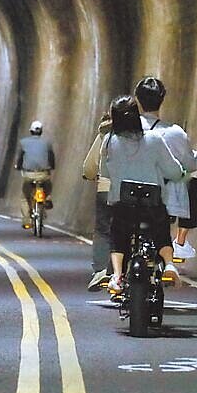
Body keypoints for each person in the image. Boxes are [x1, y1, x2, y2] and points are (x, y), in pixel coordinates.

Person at [103, 95, 184, 293]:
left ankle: (117, 276)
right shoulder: (155, 139)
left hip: (123, 204)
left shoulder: (109, 141)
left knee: (118, 236)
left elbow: (104, 172)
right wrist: (179, 173)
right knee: (161, 233)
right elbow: (173, 170)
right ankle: (170, 265)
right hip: (152, 204)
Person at [134, 77, 197, 259]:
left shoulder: (125, 131)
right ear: (162, 99)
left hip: (128, 194)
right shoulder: (174, 132)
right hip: (164, 197)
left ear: (137, 99)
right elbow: (189, 163)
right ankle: (180, 242)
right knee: (194, 185)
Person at [82, 111, 112, 291]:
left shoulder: (104, 135)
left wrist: (89, 175)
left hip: (107, 189)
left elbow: (89, 167)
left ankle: (101, 271)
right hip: (138, 190)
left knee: (103, 230)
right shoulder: (141, 134)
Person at [14, 120, 55, 229]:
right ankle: (47, 198)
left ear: (31, 131)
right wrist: (52, 166)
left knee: (24, 197)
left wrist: (18, 166)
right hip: (43, 174)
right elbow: (51, 157)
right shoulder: (47, 143)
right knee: (48, 186)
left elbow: (20, 159)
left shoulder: (23, 143)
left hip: (28, 175)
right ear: (41, 131)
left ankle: (27, 220)